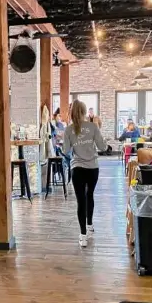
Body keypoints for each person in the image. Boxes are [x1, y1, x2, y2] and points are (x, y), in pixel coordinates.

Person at [63, 100, 108, 248]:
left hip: (77, 168)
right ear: (84, 112)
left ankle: (83, 236)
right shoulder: (93, 126)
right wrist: (104, 144)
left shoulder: (69, 130)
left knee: (80, 201)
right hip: (92, 168)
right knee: (90, 195)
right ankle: (89, 225)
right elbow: (102, 147)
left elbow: (65, 151)